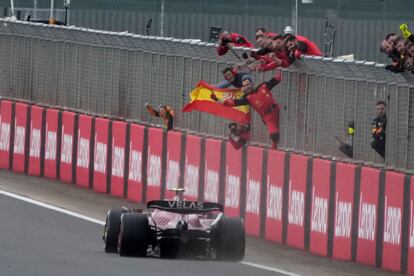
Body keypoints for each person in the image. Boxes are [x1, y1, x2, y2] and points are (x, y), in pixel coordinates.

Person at [211, 71, 282, 149]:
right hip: (269, 118)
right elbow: (230, 103)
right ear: (242, 88)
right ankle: (275, 148)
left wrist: (280, 67)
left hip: (278, 110)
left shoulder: (263, 86)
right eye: (244, 86)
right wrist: (217, 99)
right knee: (274, 135)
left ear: (252, 84)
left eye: (248, 84)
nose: (247, 87)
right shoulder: (247, 98)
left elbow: (277, 79)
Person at [215, 67, 252, 149]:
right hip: (244, 101)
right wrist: (207, 88)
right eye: (226, 76)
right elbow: (218, 87)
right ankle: (243, 139)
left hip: (251, 99)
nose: (228, 76)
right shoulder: (231, 80)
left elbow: (247, 80)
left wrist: (246, 86)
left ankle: (245, 137)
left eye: (229, 74)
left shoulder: (242, 77)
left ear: (233, 72)